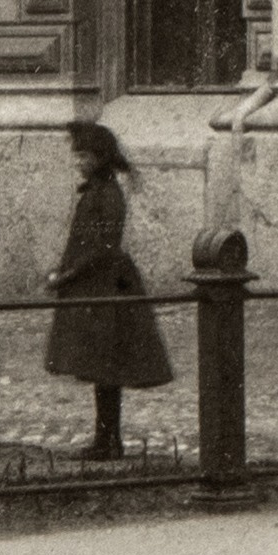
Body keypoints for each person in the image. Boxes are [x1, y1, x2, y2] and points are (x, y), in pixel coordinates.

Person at [44, 116, 176, 453]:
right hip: (95, 284)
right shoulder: (97, 192)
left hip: (104, 285)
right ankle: (106, 439)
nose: (79, 162)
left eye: (85, 157)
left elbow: (104, 245)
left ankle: (108, 440)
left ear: (101, 158)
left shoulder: (108, 195)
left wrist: (68, 275)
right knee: (101, 368)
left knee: (106, 367)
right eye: (77, 156)